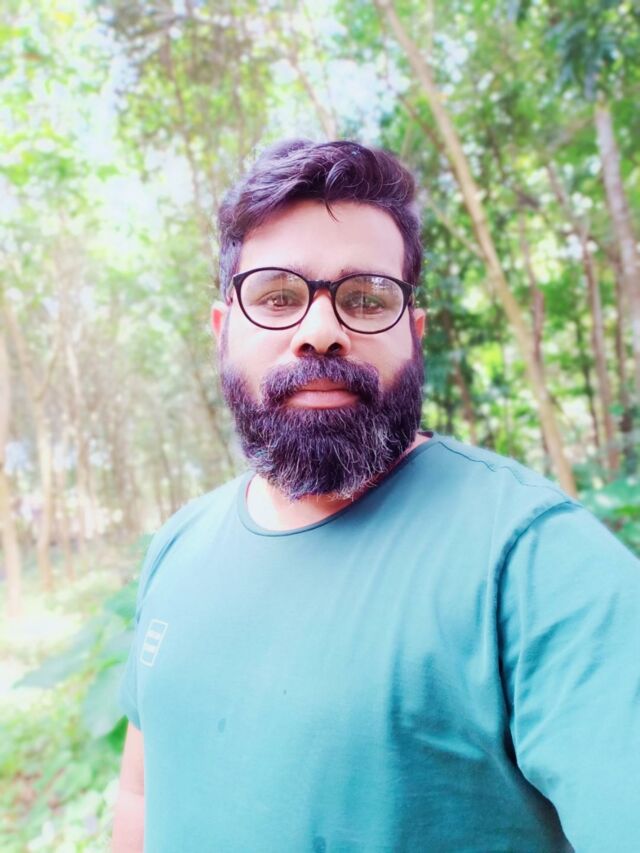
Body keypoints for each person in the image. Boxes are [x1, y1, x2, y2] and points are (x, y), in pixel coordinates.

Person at [112, 140, 640, 852]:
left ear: (413, 335)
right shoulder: (178, 543)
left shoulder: (533, 560)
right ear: (222, 329)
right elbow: (143, 791)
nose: (320, 331)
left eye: (366, 298)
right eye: (276, 296)